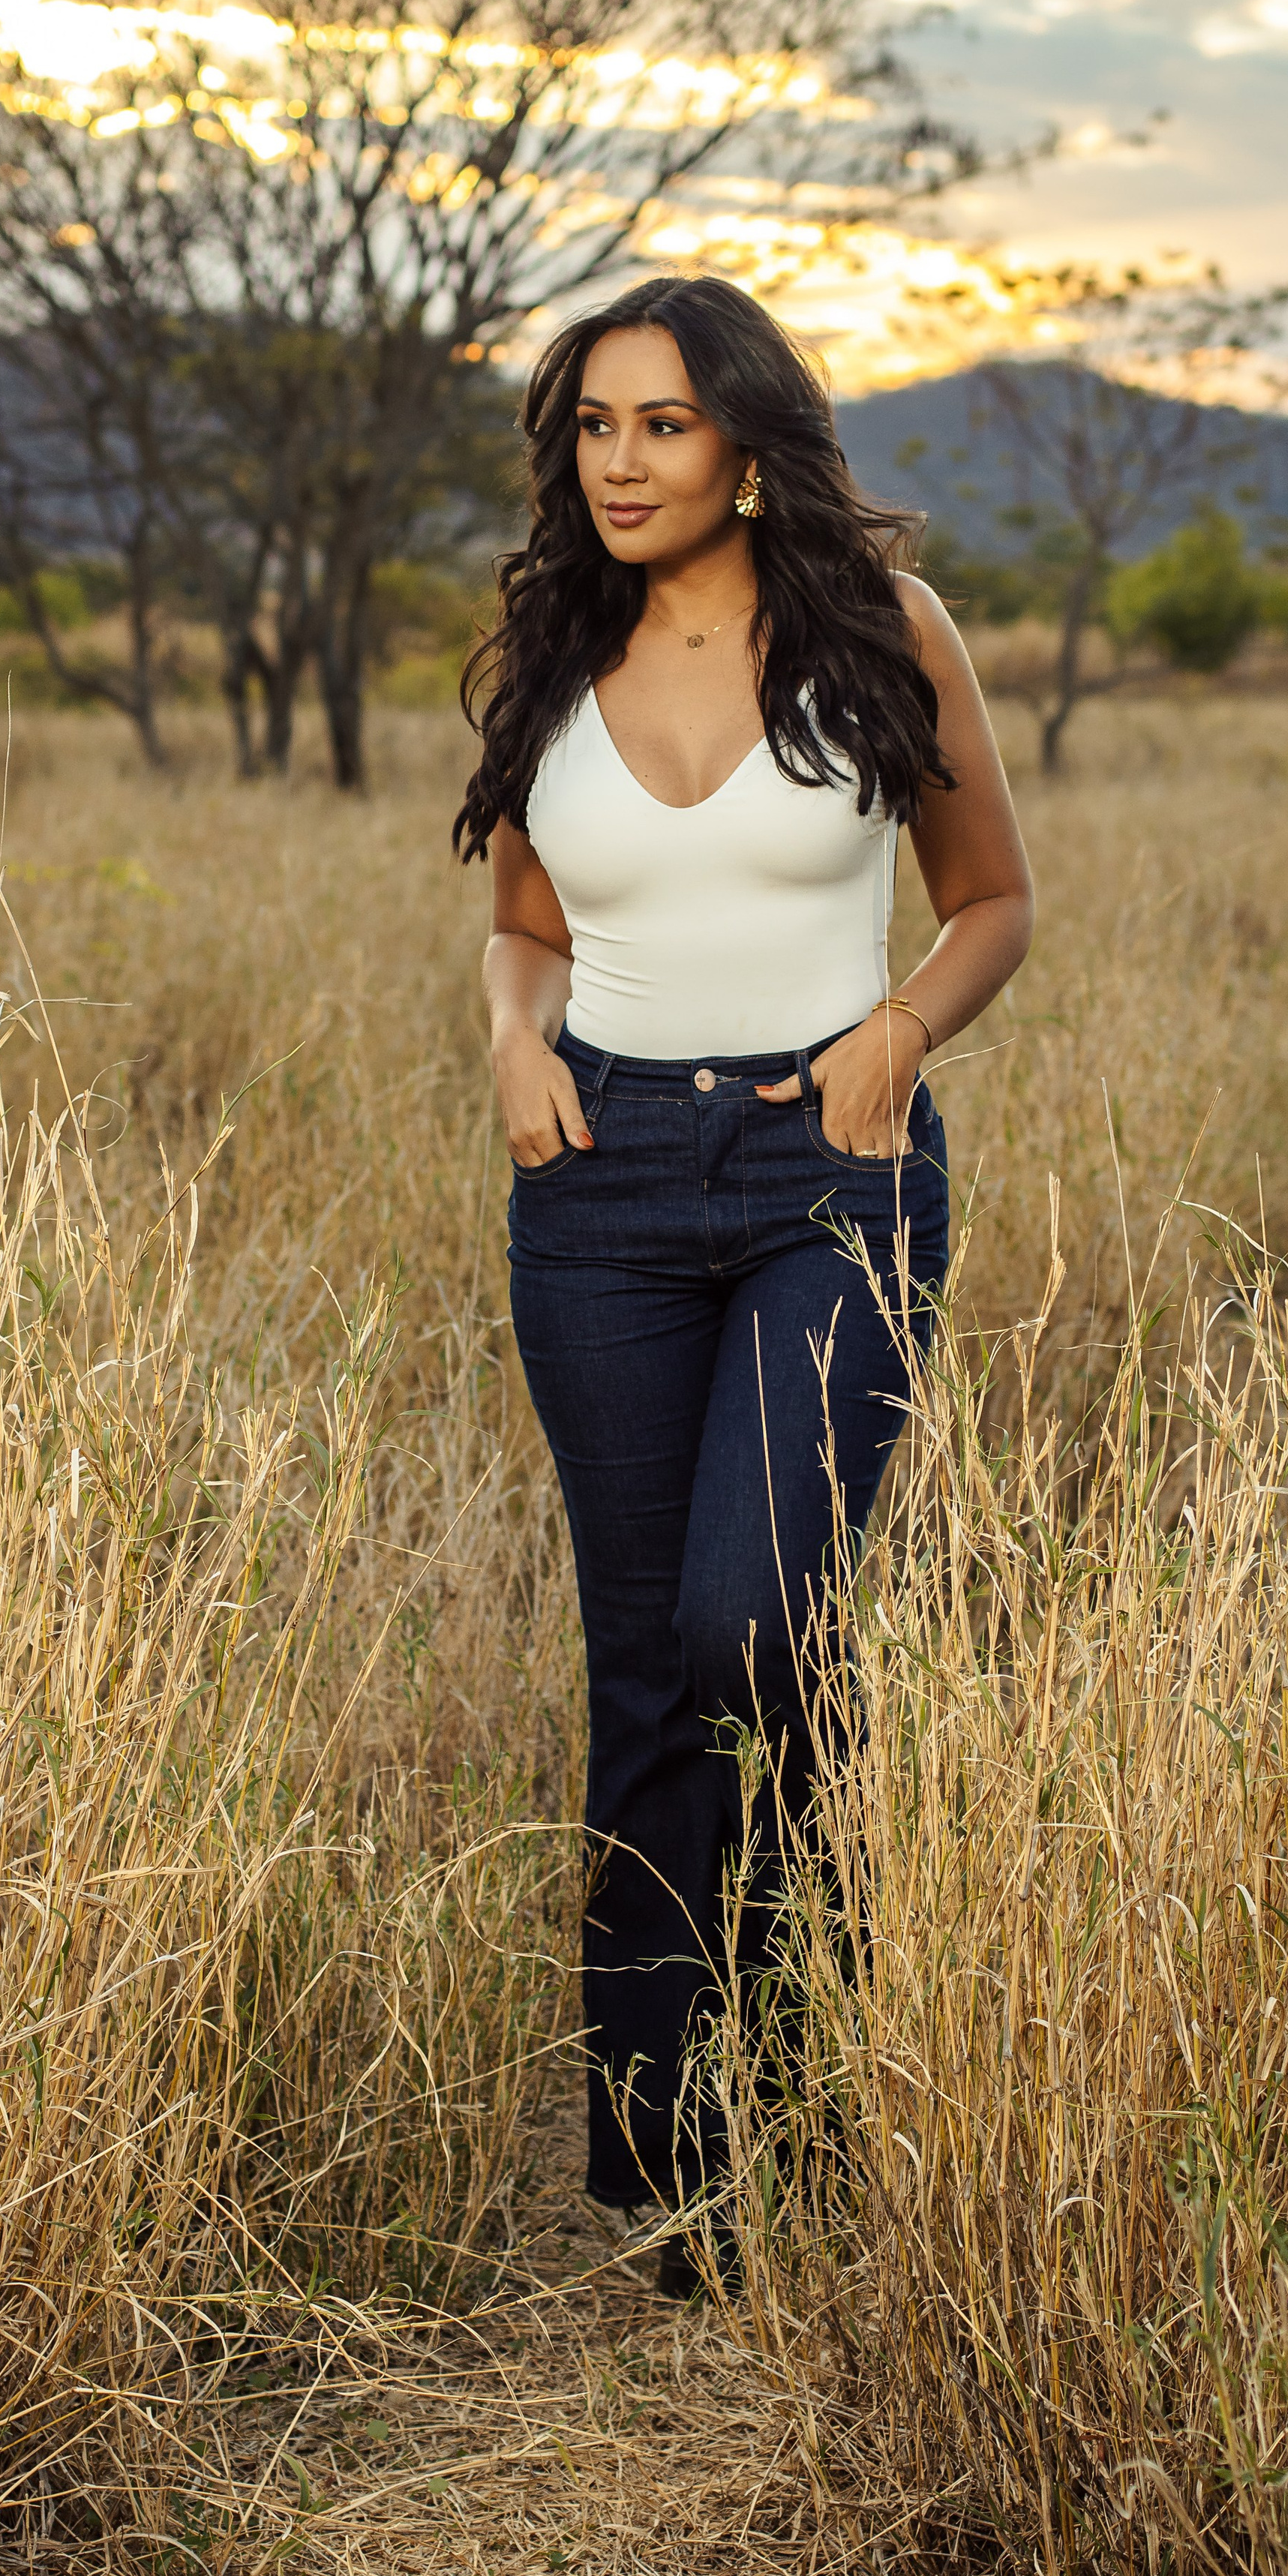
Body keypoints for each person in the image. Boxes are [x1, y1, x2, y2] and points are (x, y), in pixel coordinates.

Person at [454, 273, 1033, 2294]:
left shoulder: (883, 634)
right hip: (599, 1185)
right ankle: (665, 2162)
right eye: (595, 427)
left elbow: (993, 897)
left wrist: (902, 1035)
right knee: (642, 1672)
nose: (620, 463)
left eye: (662, 427)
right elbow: (527, 918)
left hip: (831, 1172)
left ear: (750, 440)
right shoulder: (547, 644)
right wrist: (512, 1044)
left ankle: (812, 2066)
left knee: (756, 1624)